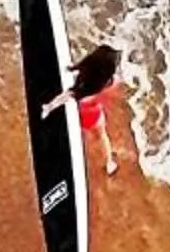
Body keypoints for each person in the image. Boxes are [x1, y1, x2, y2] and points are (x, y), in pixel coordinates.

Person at [38, 42, 127, 176]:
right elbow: (114, 84)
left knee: (74, 134)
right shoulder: (108, 83)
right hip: (94, 117)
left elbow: (67, 96)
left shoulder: (82, 83)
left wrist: (49, 107)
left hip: (80, 115)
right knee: (102, 136)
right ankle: (109, 163)